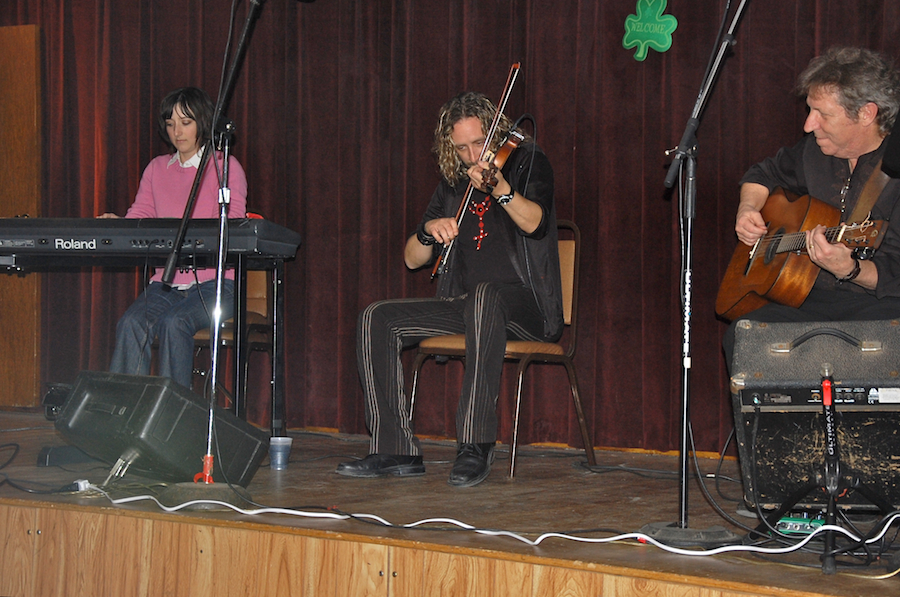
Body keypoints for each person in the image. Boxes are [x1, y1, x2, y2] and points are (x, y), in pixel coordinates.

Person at [336, 91, 562, 487]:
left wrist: (501, 189)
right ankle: (395, 448)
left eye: (479, 143)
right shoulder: (453, 185)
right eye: (461, 148)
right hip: (468, 306)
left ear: (496, 135)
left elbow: (536, 223)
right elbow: (412, 259)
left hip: (526, 308)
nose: (473, 156)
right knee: (377, 317)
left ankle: (475, 443)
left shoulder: (527, 162)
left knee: (486, 295)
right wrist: (427, 232)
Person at [723, 47, 900, 365]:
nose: (808, 125)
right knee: (744, 335)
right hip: (806, 296)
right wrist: (747, 209)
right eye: (809, 110)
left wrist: (851, 269)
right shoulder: (813, 152)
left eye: (823, 114)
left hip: (880, 303)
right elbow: (762, 174)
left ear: (866, 114)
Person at [100, 87, 248, 389]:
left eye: (185, 122)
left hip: (218, 284)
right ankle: (126, 416)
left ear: (203, 123)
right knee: (131, 323)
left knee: (174, 323)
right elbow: (141, 213)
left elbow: (234, 223)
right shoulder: (157, 169)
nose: (176, 131)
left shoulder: (225, 167)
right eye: (170, 123)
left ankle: (173, 417)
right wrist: (120, 226)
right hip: (167, 282)